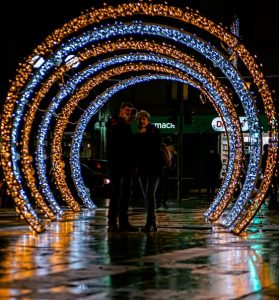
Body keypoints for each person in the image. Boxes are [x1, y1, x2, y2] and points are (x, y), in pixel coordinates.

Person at [106, 102, 138, 232]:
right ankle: (112, 222)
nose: (128, 113)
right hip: (117, 165)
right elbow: (114, 143)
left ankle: (124, 222)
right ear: (121, 110)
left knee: (126, 193)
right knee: (116, 193)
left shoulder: (128, 125)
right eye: (126, 110)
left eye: (130, 111)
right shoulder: (115, 122)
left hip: (128, 165)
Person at [135, 110, 163, 232]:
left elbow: (154, 146)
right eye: (140, 119)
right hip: (142, 168)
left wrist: (143, 136)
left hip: (154, 168)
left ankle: (149, 223)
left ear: (148, 120)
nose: (141, 121)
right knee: (146, 196)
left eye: (144, 119)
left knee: (150, 194)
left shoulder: (154, 131)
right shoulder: (137, 132)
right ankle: (152, 223)